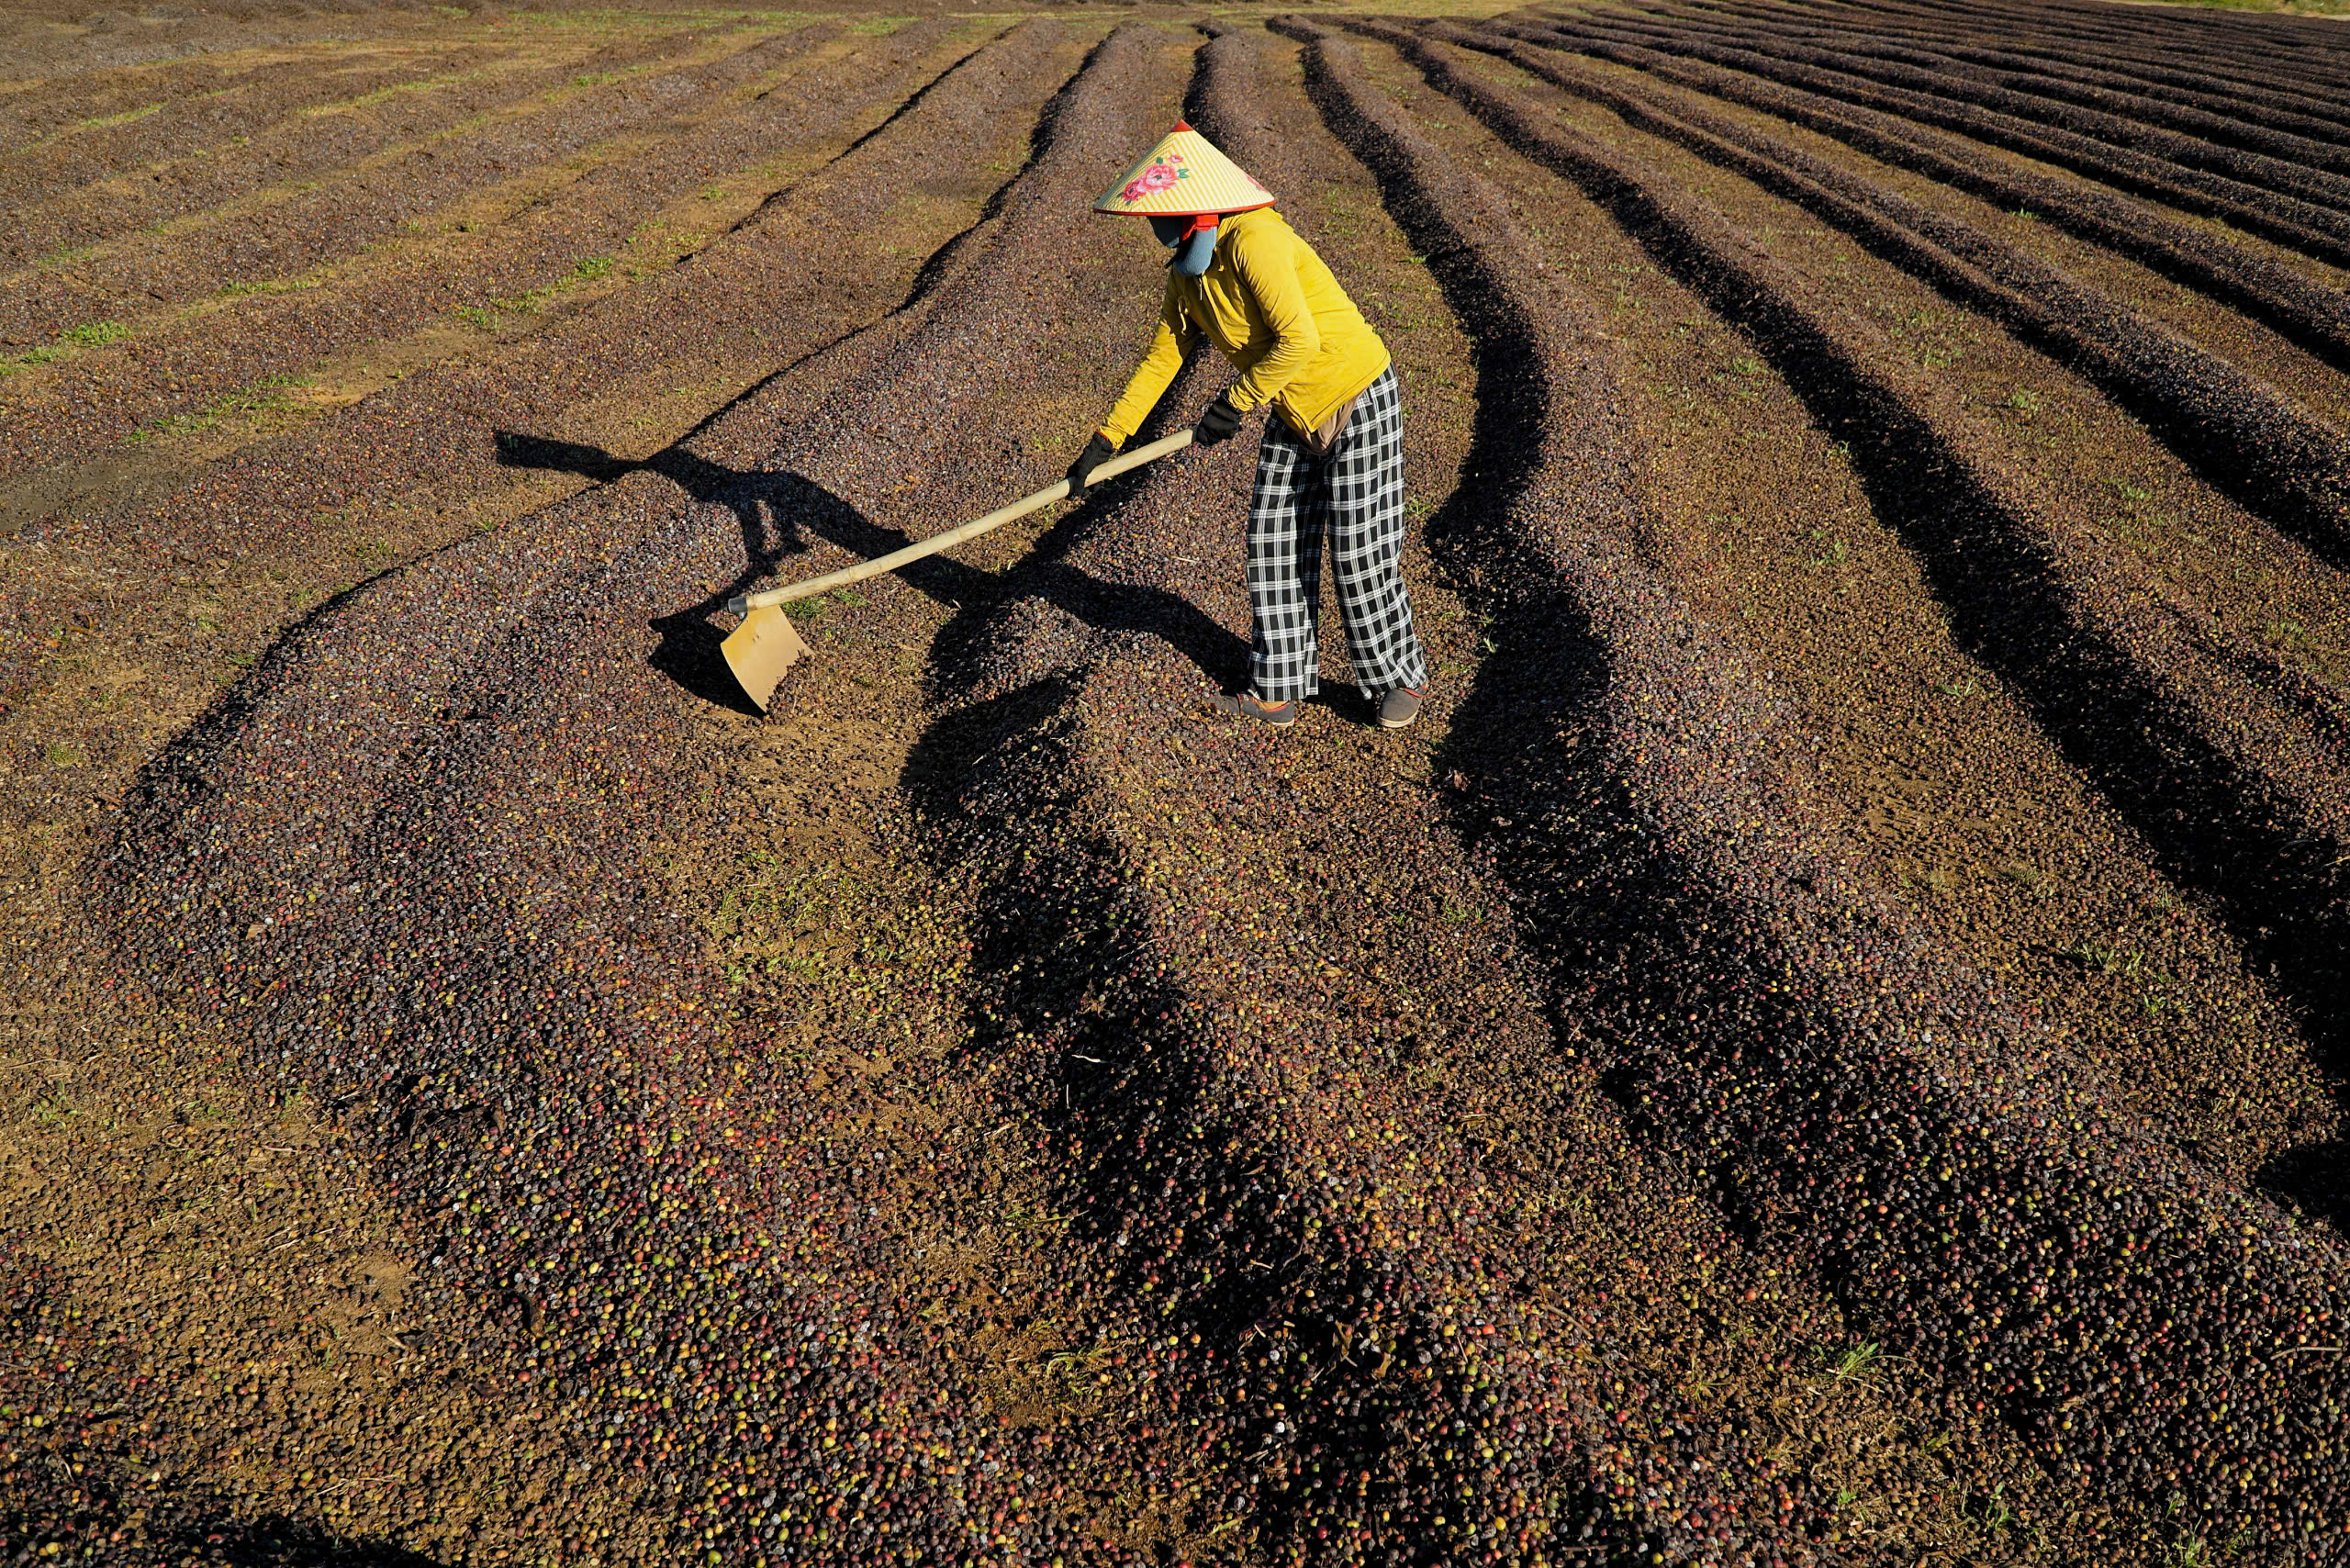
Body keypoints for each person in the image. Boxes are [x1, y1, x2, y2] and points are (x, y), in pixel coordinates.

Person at [1069, 121, 1430, 731]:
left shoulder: (1255, 241)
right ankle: (1279, 688)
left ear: (1197, 211)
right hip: (1291, 407)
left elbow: (1299, 339)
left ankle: (1400, 677)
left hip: (1354, 392)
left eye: (1163, 216)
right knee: (1274, 542)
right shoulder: (1187, 275)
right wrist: (1108, 439)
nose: (1154, 229)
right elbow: (1163, 358)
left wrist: (1233, 404)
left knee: (1359, 552)